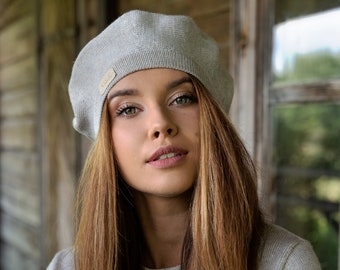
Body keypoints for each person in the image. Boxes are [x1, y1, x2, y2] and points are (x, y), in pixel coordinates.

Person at [47, 10, 321, 270]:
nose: (161, 124)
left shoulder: (285, 262)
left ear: (213, 119)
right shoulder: (67, 267)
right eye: (128, 109)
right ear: (105, 141)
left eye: (182, 99)